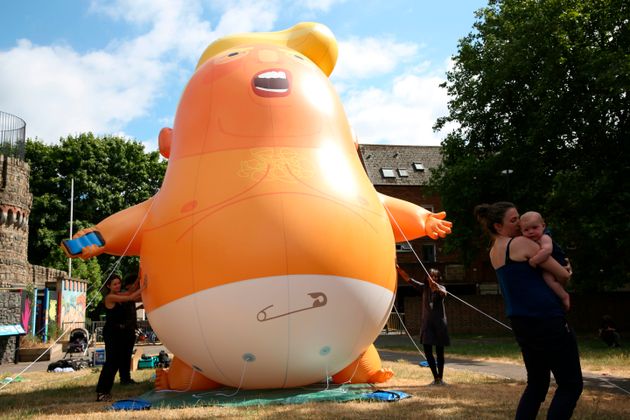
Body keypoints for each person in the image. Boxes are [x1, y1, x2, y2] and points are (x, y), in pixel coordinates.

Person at [475, 202, 582, 419]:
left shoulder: (494, 251)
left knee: (537, 384)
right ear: (498, 226)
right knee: (571, 384)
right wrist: (567, 270)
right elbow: (563, 274)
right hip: (547, 319)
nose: (520, 223)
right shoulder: (521, 243)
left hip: (521, 322)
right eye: (513, 220)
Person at [397, 265, 450, 386]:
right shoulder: (423, 288)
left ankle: (441, 378)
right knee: (427, 352)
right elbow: (408, 279)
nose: (434, 278)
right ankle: (435, 378)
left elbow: (444, 293)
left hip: (439, 325)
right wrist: (399, 269)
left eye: (436, 277)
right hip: (427, 325)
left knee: (440, 352)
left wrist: (436, 288)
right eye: (432, 276)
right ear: (427, 277)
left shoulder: (440, 287)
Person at [96, 274, 144, 402]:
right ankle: (102, 392)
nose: (117, 286)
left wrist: (139, 278)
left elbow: (130, 291)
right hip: (112, 333)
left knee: (115, 362)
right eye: (114, 284)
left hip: (119, 333)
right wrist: (144, 287)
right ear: (108, 286)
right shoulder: (110, 297)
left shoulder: (119, 294)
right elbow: (131, 296)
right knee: (111, 363)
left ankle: (105, 391)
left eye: (118, 283)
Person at [519, 211, 571, 311]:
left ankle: (564, 296)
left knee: (548, 279)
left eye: (534, 228)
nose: (531, 232)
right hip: (551, 263)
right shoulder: (529, 240)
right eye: (526, 230)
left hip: (558, 260)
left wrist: (534, 261)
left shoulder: (545, 237)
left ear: (543, 226)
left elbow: (547, 251)